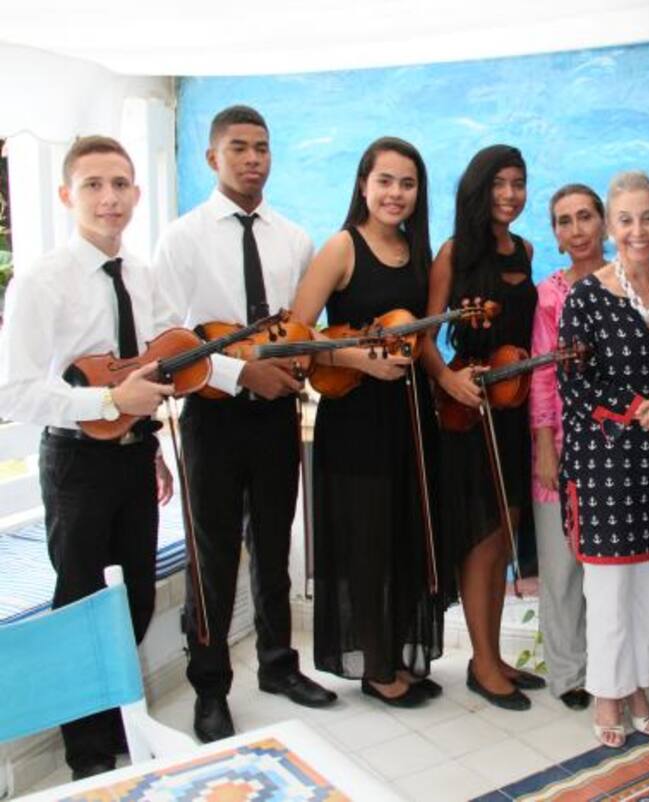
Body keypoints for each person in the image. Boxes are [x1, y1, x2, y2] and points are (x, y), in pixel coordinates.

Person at [153, 105, 335, 743]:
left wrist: (300, 362)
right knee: (214, 555)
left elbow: (301, 329)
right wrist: (239, 374)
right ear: (212, 157)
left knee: (274, 548)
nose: (252, 158)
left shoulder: (294, 239)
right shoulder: (180, 239)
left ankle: (278, 665)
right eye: (238, 148)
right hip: (212, 415)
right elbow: (167, 343)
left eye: (262, 147)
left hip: (279, 414)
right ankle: (209, 688)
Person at [0, 136, 174, 778]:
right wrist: (107, 401)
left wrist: (143, 432)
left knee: (136, 601)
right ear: (68, 195)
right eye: (95, 185)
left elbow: (143, 370)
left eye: (120, 184)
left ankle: (118, 724)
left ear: (136, 193)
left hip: (133, 455)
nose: (109, 198)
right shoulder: (41, 280)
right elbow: (14, 389)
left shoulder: (141, 272)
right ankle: (89, 758)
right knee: (80, 604)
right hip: (75, 464)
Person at [290, 137, 444, 708]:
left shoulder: (416, 251)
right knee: (368, 547)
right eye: (385, 181)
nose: (395, 193)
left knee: (403, 538)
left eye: (407, 183)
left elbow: (421, 338)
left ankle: (399, 654)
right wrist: (360, 359)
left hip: (409, 418)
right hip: (355, 418)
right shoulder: (341, 248)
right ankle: (377, 668)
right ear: (363, 185)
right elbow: (295, 339)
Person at [558, 170, 649, 748]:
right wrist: (645, 408)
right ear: (610, 227)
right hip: (607, 470)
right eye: (626, 219)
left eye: (648, 218)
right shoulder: (586, 297)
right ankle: (606, 693)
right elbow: (577, 384)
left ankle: (640, 684)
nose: (637, 229)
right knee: (609, 594)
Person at [425, 144, 543, 710]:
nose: (510, 194)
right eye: (499, 183)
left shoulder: (527, 248)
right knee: (482, 539)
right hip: (470, 413)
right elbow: (424, 337)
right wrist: (451, 384)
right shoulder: (454, 253)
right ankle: (482, 661)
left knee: (506, 534)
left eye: (518, 183)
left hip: (516, 406)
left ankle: (491, 657)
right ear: (479, 188)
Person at [529, 183, 607, 711]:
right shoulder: (549, 296)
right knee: (560, 571)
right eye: (564, 221)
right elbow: (541, 377)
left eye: (585, 217)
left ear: (603, 222)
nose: (576, 229)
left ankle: (612, 671)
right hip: (557, 447)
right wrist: (544, 447)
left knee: (608, 572)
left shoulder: (626, 286)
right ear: (556, 235)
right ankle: (568, 675)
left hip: (615, 451)